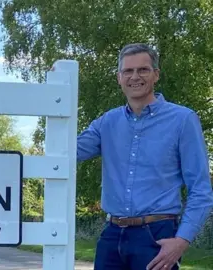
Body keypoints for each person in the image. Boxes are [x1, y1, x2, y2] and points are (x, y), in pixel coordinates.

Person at [56, 43, 213, 270]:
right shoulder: (107, 122)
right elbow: (67, 151)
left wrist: (182, 241)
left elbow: (200, 189)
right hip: (112, 235)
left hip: (157, 237)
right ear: (119, 78)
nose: (134, 77)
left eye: (143, 70)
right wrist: (55, 100)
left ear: (156, 75)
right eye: (128, 71)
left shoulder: (183, 120)